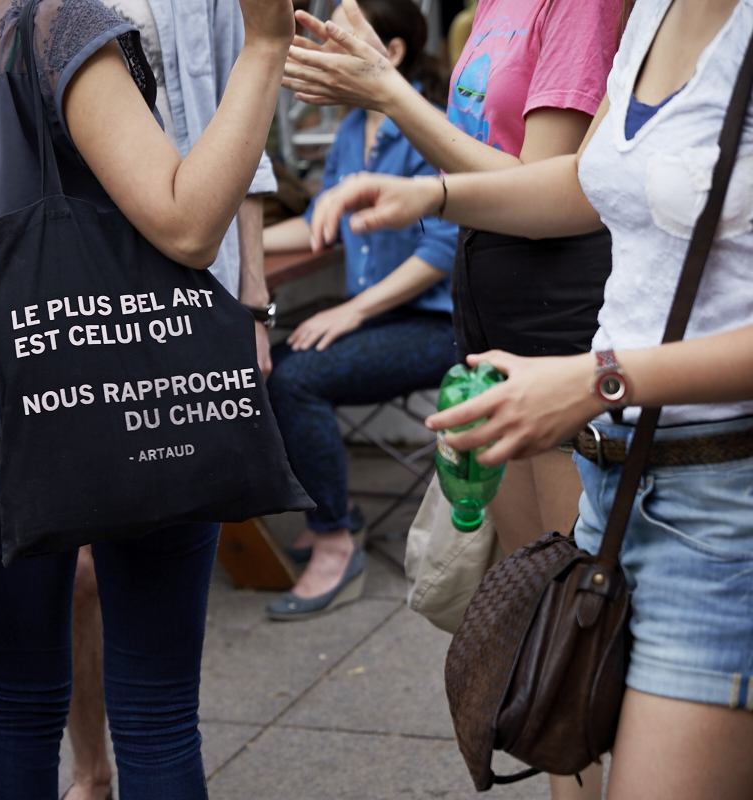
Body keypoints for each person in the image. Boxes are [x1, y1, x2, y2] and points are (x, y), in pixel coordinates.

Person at [308, 0, 753, 797]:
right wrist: (432, 198)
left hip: (725, 501)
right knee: (560, 732)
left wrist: (596, 378)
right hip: (619, 483)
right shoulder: (654, 12)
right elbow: (586, 185)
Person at [0, 0, 293, 796]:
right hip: (121, 411)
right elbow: (188, 225)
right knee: (158, 714)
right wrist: (265, 45)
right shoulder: (64, 24)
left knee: (17, 707)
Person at [283, 1, 620, 794]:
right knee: (534, 622)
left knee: (581, 627)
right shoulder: (491, 8)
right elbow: (480, 149)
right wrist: (389, 87)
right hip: (490, 318)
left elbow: (548, 188)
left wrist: (391, 97)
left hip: (563, 319)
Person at [60, 0, 278, 795]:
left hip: (194, 304)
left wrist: (252, 298)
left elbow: (241, 116)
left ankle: (131, 751)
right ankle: (91, 763)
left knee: (161, 590)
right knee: (80, 574)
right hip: (79, 314)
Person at [260, 0, 458, 620]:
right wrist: (231, 240)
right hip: (383, 316)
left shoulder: (430, 125)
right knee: (276, 366)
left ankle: (336, 539)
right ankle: (332, 512)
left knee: (295, 377)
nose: (319, 48)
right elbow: (329, 223)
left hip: (439, 325)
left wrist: (354, 312)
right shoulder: (353, 130)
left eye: (335, 36)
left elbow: (445, 246)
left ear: (392, 54)